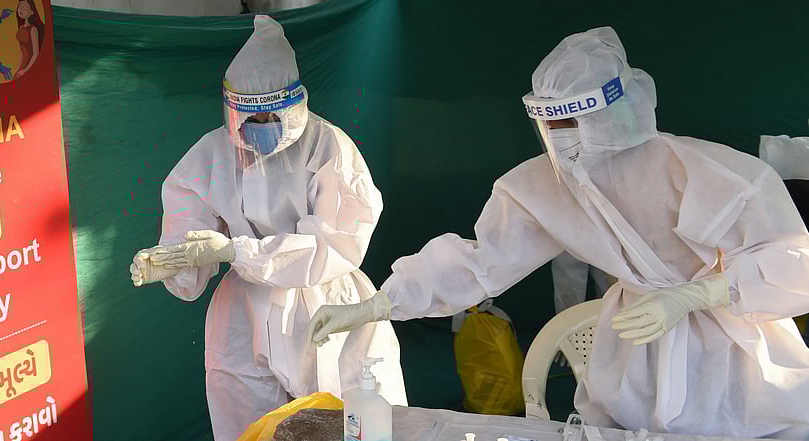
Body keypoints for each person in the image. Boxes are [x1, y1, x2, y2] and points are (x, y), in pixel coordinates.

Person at [308, 27, 809, 439]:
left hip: (731, 354)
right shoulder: (545, 185)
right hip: (632, 351)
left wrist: (698, 294)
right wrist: (380, 303)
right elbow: (483, 260)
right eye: (551, 123)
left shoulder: (710, 173)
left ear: (616, 108)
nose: (560, 138)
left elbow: (796, 259)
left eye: (572, 119)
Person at [128, 15, 406, 441]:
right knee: (250, 425)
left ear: (293, 106)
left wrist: (236, 252)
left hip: (327, 302)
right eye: (249, 120)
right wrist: (174, 261)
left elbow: (336, 243)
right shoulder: (212, 153)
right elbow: (189, 225)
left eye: (270, 118)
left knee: (350, 418)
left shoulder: (328, 146)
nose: (258, 131)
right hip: (244, 316)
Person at [14, 0, 45, 79]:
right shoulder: (21, 28)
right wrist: (19, 68)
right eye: (20, 5)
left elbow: (35, 53)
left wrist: (25, 70)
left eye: (26, 7)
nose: (22, 9)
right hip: (23, 64)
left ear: (32, 12)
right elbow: (22, 52)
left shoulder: (33, 29)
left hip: (30, 63)